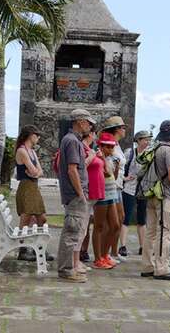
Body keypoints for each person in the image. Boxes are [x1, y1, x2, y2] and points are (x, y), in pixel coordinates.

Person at [140, 120, 170, 281]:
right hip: (164, 196)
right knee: (164, 232)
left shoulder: (156, 148)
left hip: (151, 193)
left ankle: (147, 265)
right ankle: (161, 268)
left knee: (150, 232)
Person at [57, 109, 95, 283]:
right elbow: (72, 169)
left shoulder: (72, 140)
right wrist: (80, 193)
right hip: (75, 195)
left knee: (74, 230)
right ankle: (66, 270)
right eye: (88, 122)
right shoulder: (72, 141)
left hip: (74, 194)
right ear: (80, 122)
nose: (89, 126)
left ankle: (68, 268)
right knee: (72, 231)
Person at [15, 125, 53, 262]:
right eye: (37, 135)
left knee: (41, 218)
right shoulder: (22, 151)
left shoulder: (31, 151)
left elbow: (39, 172)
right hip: (26, 187)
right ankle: (23, 250)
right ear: (30, 135)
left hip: (33, 186)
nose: (38, 137)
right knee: (27, 219)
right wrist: (35, 172)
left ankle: (40, 248)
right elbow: (34, 171)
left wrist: (35, 173)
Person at [74, 128, 105, 274]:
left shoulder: (89, 148)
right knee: (81, 228)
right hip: (87, 191)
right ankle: (75, 260)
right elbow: (80, 167)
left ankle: (77, 259)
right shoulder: (82, 148)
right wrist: (92, 156)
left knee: (84, 227)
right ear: (91, 134)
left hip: (94, 193)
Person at [119, 131, 152, 257]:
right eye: (145, 139)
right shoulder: (130, 153)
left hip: (144, 189)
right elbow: (121, 167)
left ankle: (142, 246)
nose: (147, 142)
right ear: (138, 140)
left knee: (142, 218)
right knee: (126, 217)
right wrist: (124, 178)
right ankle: (122, 245)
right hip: (130, 188)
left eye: (148, 140)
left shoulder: (150, 154)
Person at [92, 132, 120, 270]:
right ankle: (98, 258)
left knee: (115, 225)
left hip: (111, 193)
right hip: (101, 194)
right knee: (99, 226)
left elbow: (113, 176)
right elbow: (107, 172)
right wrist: (103, 158)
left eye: (112, 147)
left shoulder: (109, 158)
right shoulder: (99, 157)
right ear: (101, 147)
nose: (111, 150)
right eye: (108, 147)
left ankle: (104, 254)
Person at [103, 116, 127, 262]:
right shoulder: (110, 144)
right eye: (123, 128)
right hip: (111, 185)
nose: (125, 130)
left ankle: (113, 251)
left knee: (120, 218)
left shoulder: (117, 145)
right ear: (117, 129)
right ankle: (106, 253)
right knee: (112, 222)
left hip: (118, 185)